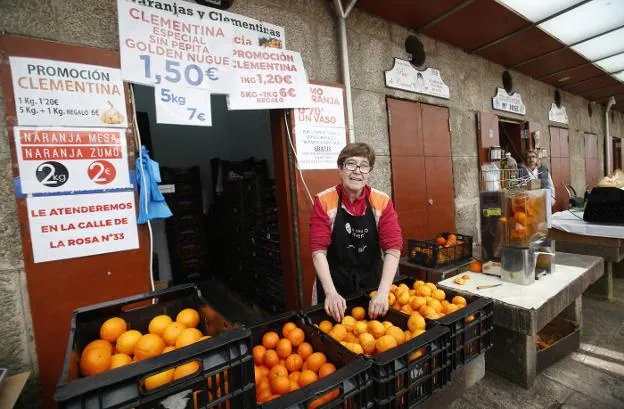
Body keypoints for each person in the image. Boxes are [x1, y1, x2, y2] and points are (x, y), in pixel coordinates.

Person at [309, 143, 403, 322]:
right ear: (340, 169)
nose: (357, 171)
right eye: (350, 164)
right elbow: (318, 251)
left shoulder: (382, 201)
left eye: (364, 166)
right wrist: (331, 293)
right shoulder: (324, 200)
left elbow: (393, 249)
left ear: (369, 172)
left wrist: (383, 293)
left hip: (372, 282)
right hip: (334, 281)